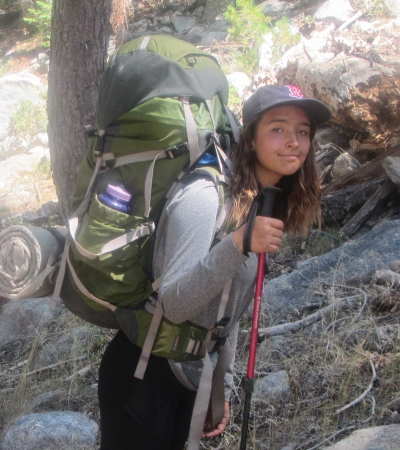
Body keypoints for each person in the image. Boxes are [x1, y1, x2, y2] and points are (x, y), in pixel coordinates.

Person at [97, 84, 332, 449]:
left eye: (303, 132)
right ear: (250, 139)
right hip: (144, 374)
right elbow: (174, 303)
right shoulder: (204, 196)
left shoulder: (259, 204)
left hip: (191, 375)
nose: (293, 141)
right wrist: (238, 244)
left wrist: (220, 386)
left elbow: (229, 311)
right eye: (278, 128)